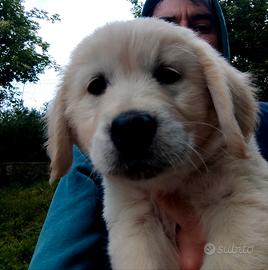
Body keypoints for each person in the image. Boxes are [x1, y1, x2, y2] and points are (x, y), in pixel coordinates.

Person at [29, 0, 268, 269]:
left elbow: (251, 224)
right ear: (66, 121)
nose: (130, 113)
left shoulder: (241, 143)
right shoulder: (86, 168)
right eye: (96, 86)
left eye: (168, 74)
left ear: (217, 92)